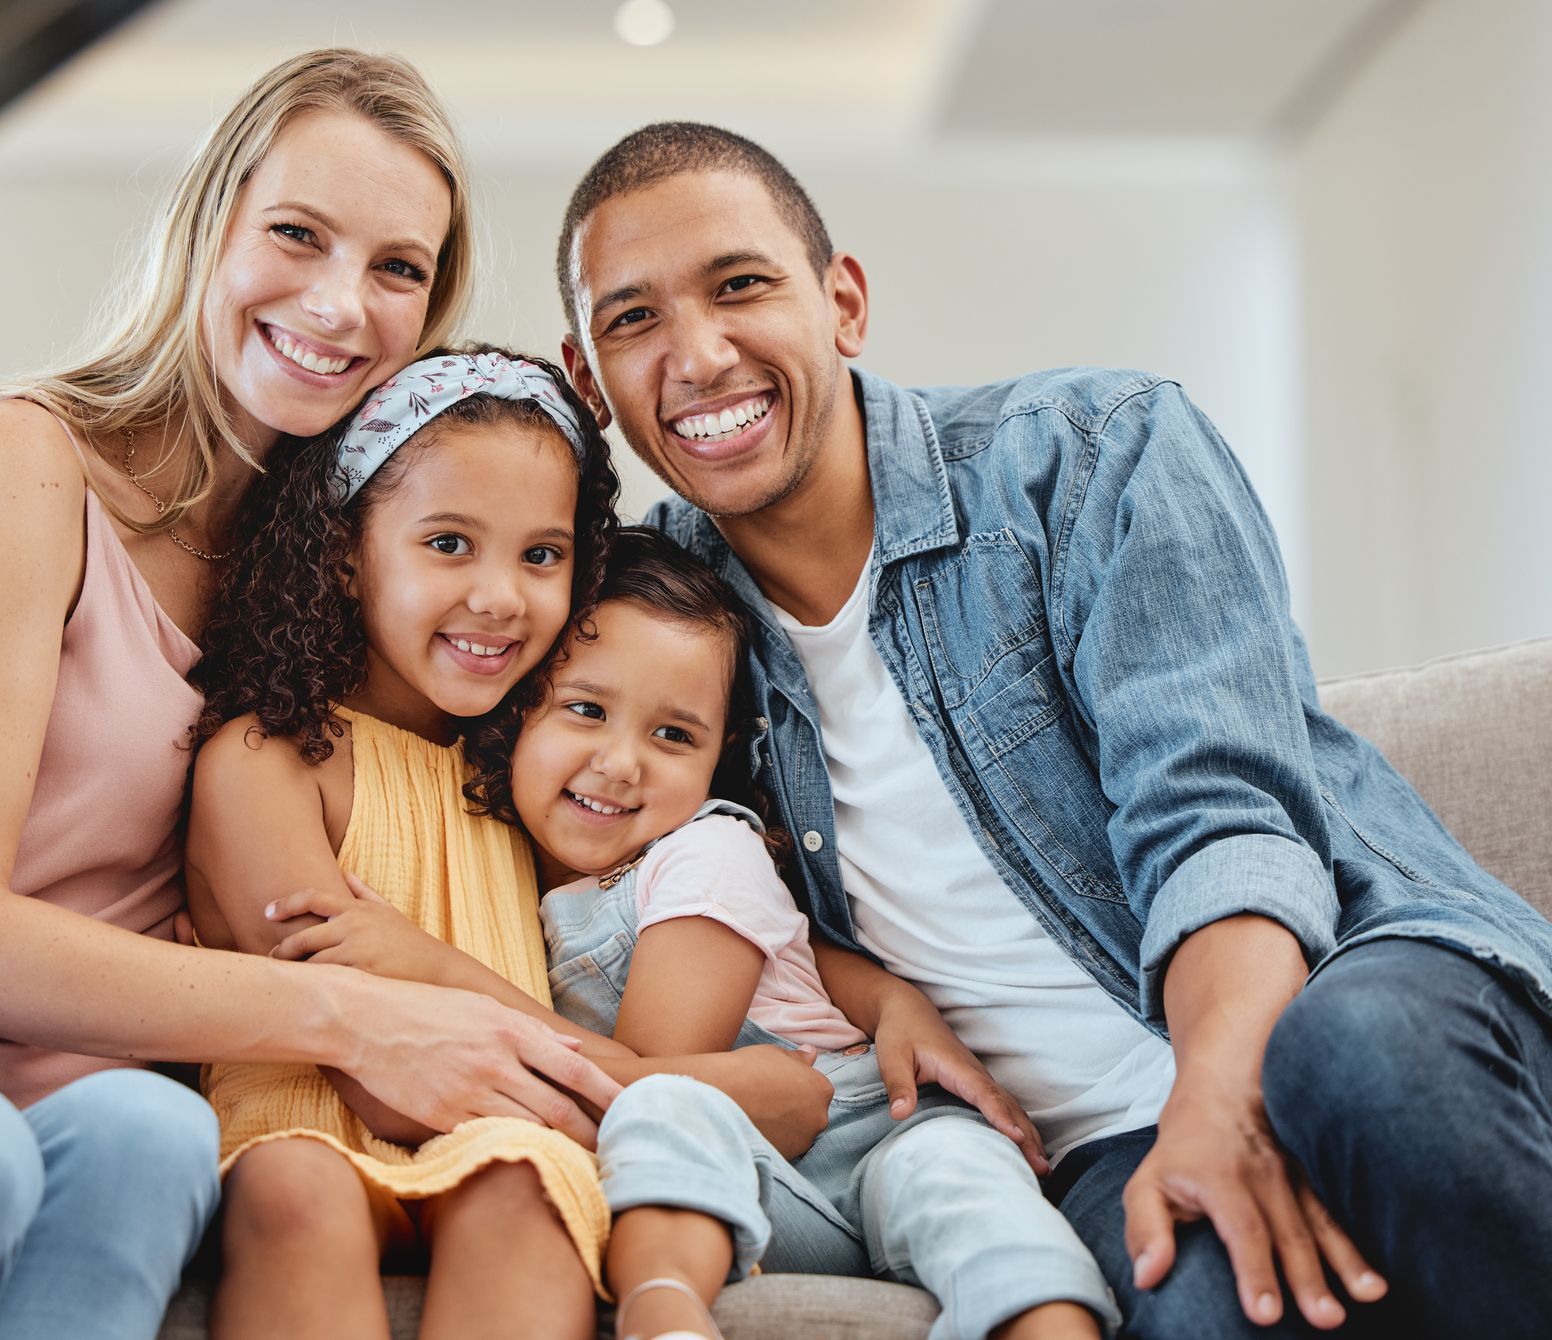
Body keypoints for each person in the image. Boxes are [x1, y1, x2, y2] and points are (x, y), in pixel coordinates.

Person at [0, 51, 624, 1340]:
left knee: (155, 1131)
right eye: (298, 234)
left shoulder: (325, 588)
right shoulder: (25, 458)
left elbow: (599, 641)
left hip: (30, 1073)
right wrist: (364, 1017)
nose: (339, 301)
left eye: (396, 268)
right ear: (209, 226)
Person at [547, 121, 1552, 1338]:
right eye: (633, 319)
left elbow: (1219, 812)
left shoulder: (1089, 453)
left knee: (1360, 1057)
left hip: (1329, 987)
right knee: (1198, 1305)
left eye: (740, 285)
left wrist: (1221, 1084)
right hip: (1082, 1148)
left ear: (843, 301)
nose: (697, 354)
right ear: (591, 382)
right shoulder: (649, 621)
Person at [187, 356, 839, 1340]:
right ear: (346, 551)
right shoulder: (269, 757)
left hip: (511, 1133)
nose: (499, 597)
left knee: (526, 1184)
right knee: (297, 1186)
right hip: (308, 1127)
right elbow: (378, 1071)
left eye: (541, 554)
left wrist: (885, 1002)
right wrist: (720, 1090)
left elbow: (670, 916)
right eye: (449, 542)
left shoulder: (517, 766)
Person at [479, 525, 1119, 1340]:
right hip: (751, 1185)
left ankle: (1046, 1324)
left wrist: (438, 977)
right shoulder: (504, 875)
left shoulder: (706, 851)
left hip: (875, 1128)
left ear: (721, 760)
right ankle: (668, 1314)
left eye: (673, 734)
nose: (620, 762)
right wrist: (889, 997)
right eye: (587, 709)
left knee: (956, 1180)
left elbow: (644, 1072)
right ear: (520, 706)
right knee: (672, 1120)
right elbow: (801, 968)